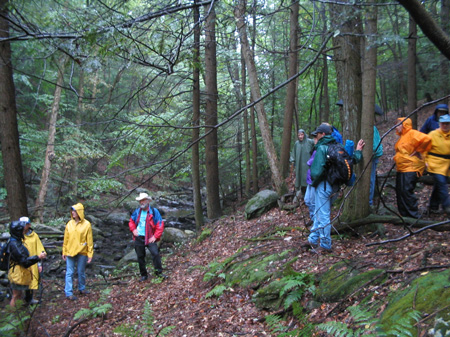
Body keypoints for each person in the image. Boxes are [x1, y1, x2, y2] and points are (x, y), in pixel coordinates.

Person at [307, 123, 365, 252]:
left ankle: (325, 245)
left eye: (317, 134)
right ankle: (312, 239)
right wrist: (358, 150)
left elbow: (316, 172)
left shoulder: (322, 148)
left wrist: (314, 182)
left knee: (322, 215)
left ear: (322, 134)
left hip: (324, 186)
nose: (316, 136)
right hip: (335, 187)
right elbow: (352, 159)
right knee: (319, 212)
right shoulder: (339, 146)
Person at [394, 118, 432, 218]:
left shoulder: (412, 133)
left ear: (404, 125)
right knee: (400, 190)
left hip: (411, 167)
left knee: (407, 190)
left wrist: (418, 151)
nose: (396, 127)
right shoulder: (402, 137)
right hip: (402, 168)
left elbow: (427, 139)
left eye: (398, 125)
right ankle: (404, 215)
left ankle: (414, 215)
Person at [8, 220, 46, 307]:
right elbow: (24, 261)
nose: (24, 231)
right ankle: (13, 315)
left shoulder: (17, 241)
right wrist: (38, 257)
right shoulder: (14, 244)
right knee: (16, 295)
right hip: (17, 272)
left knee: (19, 294)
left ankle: (21, 310)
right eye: (22, 230)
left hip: (21, 272)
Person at [128, 192, 165, 281]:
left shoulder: (154, 211)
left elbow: (160, 224)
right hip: (139, 237)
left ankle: (159, 273)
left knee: (155, 254)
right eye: (140, 201)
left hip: (150, 237)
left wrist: (155, 236)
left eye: (143, 200)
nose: (142, 202)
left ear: (148, 201)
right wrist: (133, 230)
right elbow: (131, 221)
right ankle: (144, 275)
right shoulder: (137, 211)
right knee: (140, 257)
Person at [62, 203, 94, 300]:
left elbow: (89, 240)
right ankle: (69, 292)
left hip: (82, 251)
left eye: (75, 211)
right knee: (69, 272)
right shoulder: (69, 224)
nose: (73, 213)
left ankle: (82, 288)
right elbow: (66, 239)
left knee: (81, 271)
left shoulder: (87, 224)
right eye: (72, 211)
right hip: (70, 251)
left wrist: (90, 254)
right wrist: (64, 251)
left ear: (79, 212)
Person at [425, 114, 450, 214]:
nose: (445, 126)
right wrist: (425, 161)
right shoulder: (432, 134)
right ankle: (447, 206)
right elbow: (423, 149)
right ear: (439, 124)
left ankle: (433, 206)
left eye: (447, 124)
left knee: (438, 184)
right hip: (434, 163)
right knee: (441, 182)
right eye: (443, 124)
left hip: (447, 164)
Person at [21, 216, 46, 305]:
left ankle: (29, 298)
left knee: (31, 280)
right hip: (21, 262)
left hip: (32, 261)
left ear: (29, 225)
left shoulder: (34, 235)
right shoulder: (17, 236)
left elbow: (39, 248)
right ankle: (18, 300)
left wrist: (39, 263)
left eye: (25, 224)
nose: (23, 226)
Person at [290, 129, 314, 199]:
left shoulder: (309, 142)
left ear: (304, 134)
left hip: (307, 165)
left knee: (307, 179)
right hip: (299, 165)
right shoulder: (297, 144)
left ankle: (309, 195)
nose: (300, 136)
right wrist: (292, 161)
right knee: (300, 179)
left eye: (302, 135)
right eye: (299, 135)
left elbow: (316, 145)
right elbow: (293, 154)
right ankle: (302, 194)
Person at [304, 131, 319, 225]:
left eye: (315, 138)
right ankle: (312, 218)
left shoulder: (320, 149)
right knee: (307, 200)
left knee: (313, 202)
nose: (314, 140)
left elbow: (312, 163)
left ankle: (315, 222)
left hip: (314, 180)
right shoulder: (315, 148)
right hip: (310, 180)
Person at [370, 126, 384, 206]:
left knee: (370, 180)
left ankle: (369, 203)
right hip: (373, 156)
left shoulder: (371, 128)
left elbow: (375, 146)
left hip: (372, 157)